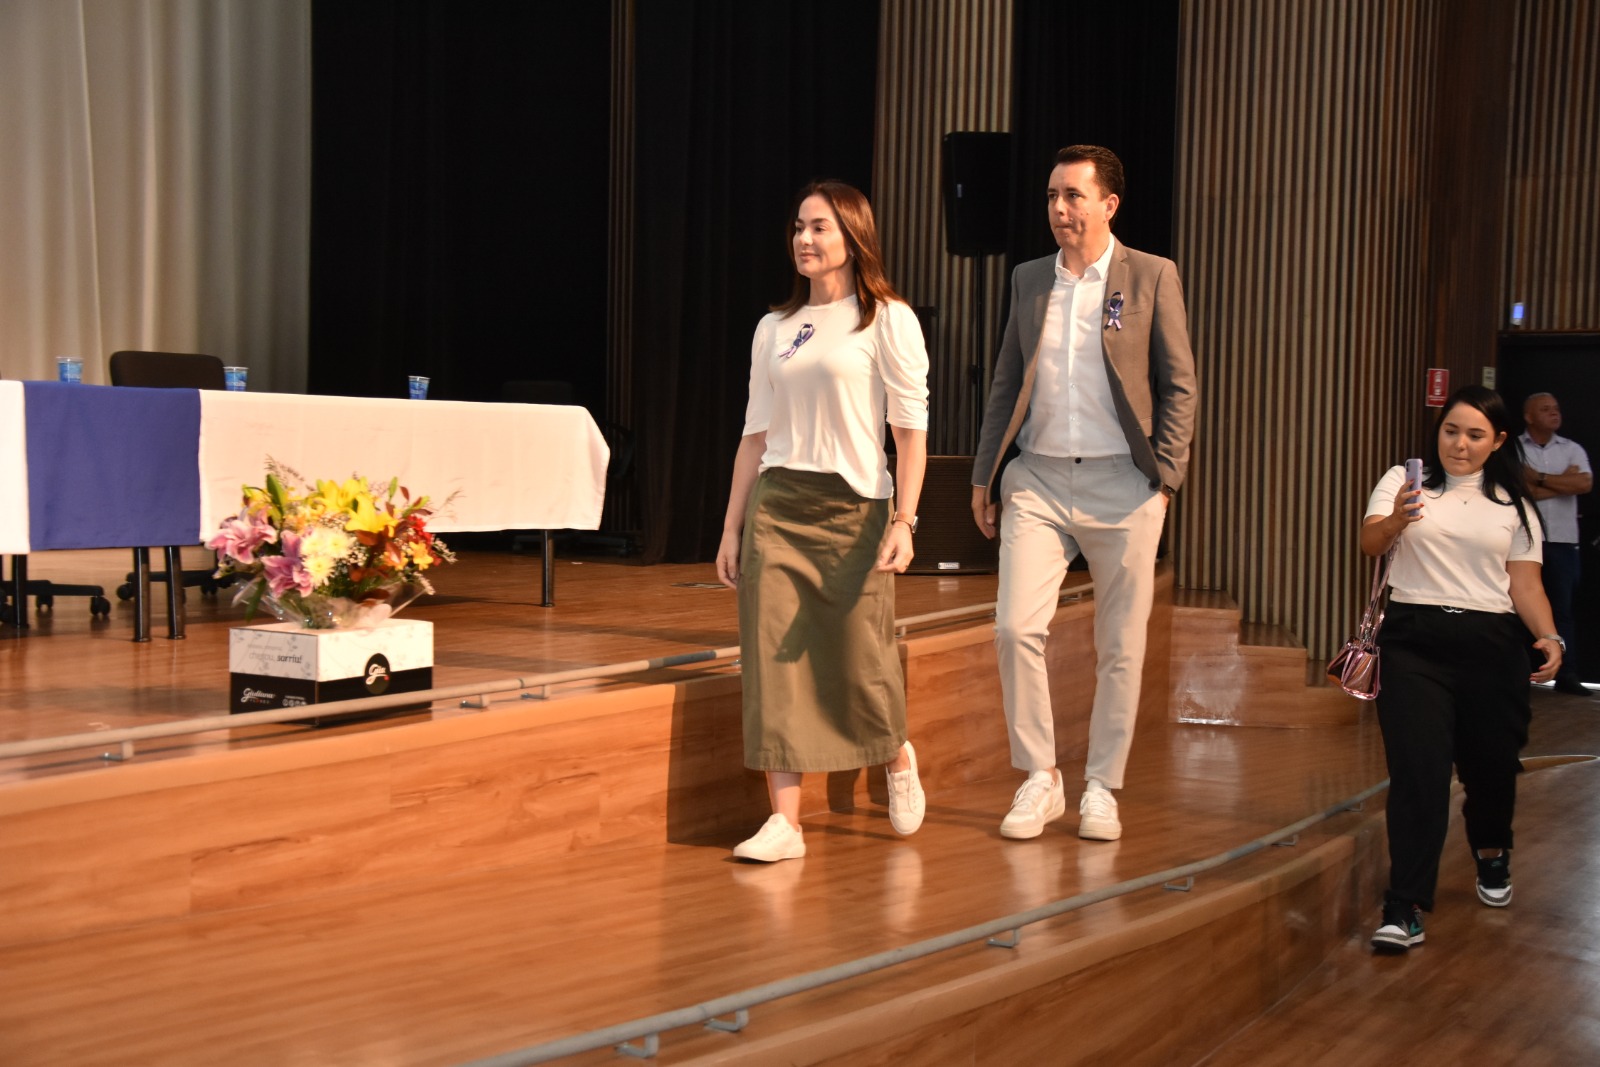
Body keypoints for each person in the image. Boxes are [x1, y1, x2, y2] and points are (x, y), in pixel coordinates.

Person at [970, 145, 1197, 842]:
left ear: (1109, 205)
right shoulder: (1028, 278)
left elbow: (1179, 384)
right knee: (1015, 628)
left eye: (1073, 195)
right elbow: (1006, 380)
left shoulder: (1151, 275)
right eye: (1052, 196)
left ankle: (1101, 786)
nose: (1060, 208)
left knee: (1120, 645)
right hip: (1037, 478)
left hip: (1123, 482)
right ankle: (1040, 777)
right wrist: (985, 473)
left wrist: (1164, 478)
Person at [716, 179, 930, 863]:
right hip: (779, 505)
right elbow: (754, 435)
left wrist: (905, 519)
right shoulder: (773, 329)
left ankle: (894, 752)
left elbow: (910, 433)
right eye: (798, 227)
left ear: (853, 237)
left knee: (861, 654)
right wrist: (731, 527)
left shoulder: (886, 318)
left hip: (855, 509)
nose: (804, 239)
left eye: (820, 227)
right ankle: (786, 822)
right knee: (772, 663)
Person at [1363, 385, 1563, 953]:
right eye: (1451, 430)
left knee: (1491, 769)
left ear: (1497, 441)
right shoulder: (1404, 481)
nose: (1459, 443)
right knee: (1419, 774)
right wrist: (1398, 519)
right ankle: (1404, 905)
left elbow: (1525, 584)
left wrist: (1549, 636)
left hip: (1492, 647)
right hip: (1413, 642)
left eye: (1475, 435)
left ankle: (1492, 849)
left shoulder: (1514, 505)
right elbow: (1370, 543)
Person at [1519, 391, 1593, 696]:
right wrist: (1561, 483)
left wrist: (1538, 479)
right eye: (1545, 409)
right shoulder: (1515, 448)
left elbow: (1584, 483)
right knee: (1515, 607)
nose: (1554, 412)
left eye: (1556, 408)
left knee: (1562, 610)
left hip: (1562, 541)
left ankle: (1567, 674)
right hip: (1522, 540)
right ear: (1529, 416)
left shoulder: (1572, 449)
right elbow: (1518, 489)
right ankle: (1516, 671)